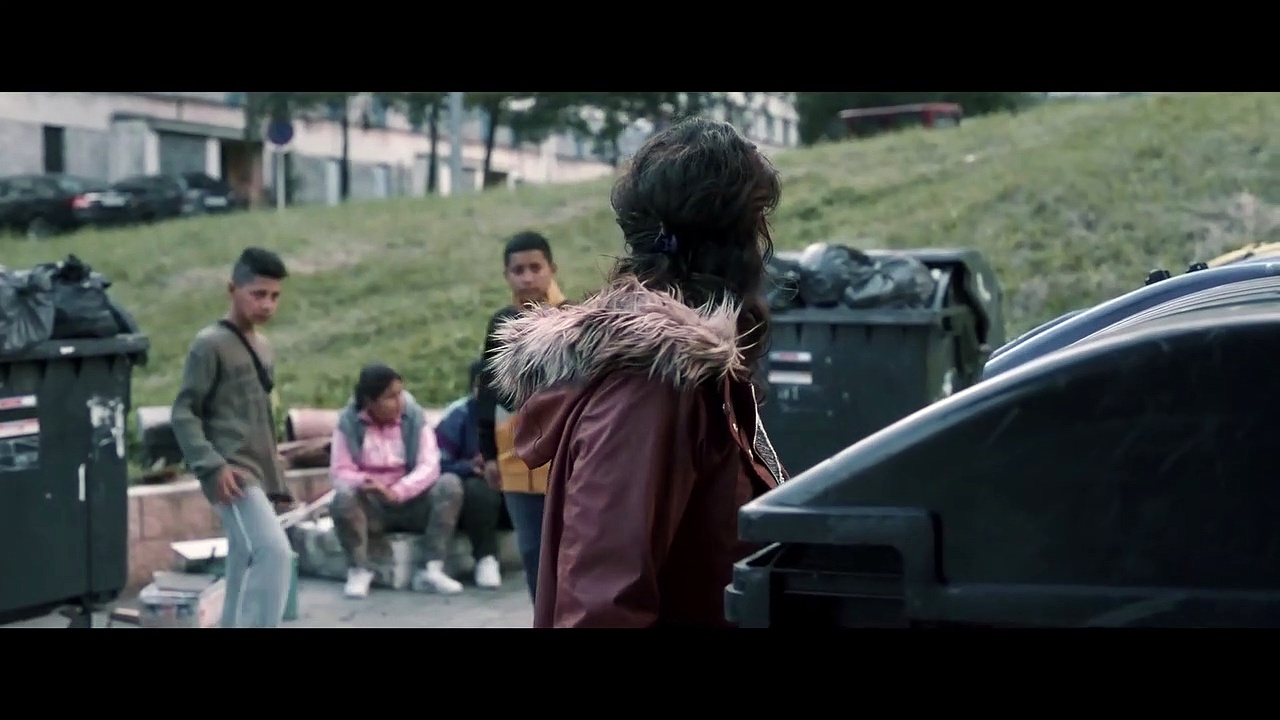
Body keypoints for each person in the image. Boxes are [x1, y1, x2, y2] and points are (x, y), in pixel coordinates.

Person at [487, 117, 789, 628]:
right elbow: (600, 609)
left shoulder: (691, 371)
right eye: (757, 223)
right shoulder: (653, 384)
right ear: (736, 240)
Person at [170, 247, 294, 629]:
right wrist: (211, 465)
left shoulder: (264, 347)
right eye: (258, 294)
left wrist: (277, 476)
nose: (267, 304)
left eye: (274, 296)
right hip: (233, 473)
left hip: (259, 470)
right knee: (274, 553)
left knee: (244, 557)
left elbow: (259, 416)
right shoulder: (209, 343)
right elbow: (184, 411)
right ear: (232, 289)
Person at [329, 363, 487, 598]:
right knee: (343, 498)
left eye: (400, 394)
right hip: (373, 505)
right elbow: (340, 471)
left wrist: (398, 491)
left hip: (413, 502)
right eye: (390, 397)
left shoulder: (413, 416)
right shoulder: (348, 422)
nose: (399, 402)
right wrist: (368, 483)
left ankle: (432, 568)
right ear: (370, 401)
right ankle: (359, 569)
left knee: (449, 484)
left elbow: (429, 465)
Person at [475, 231, 566, 602]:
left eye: (535, 267)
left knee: (570, 553)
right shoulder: (502, 323)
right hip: (515, 461)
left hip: (565, 459)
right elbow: (488, 392)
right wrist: (488, 454)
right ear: (506, 276)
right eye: (518, 270)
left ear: (552, 269)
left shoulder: (571, 319)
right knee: (533, 555)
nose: (527, 277)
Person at [433, 359, 506, 590]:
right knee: (478, 490)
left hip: (513, 488)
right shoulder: (458, 415)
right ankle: (486, 559)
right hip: (477, 498)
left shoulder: (518, 412)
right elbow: (437, 462)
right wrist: (469, 467)